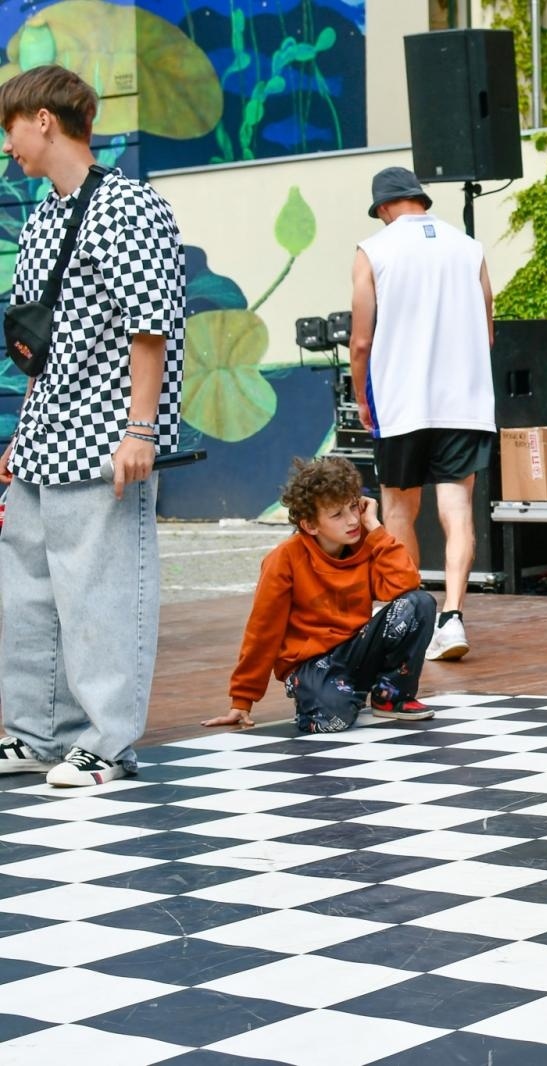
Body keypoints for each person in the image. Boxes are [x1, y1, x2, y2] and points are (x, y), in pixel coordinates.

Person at [0, 66, 184, 787]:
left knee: (103, 590)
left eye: (11, 127)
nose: (7, 144)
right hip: (47, 431)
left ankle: (106, 742)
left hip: (105, 432)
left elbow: (150, 324)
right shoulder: (44, 217)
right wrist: (23, 433)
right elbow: (38, 343)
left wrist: (140, 430)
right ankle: (38, 732)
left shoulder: (129, 206)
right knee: (29, 591)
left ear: (44, 119)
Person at [349, 166, 495, 663]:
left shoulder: (373, 250)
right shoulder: (469, 247)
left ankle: (409, 617)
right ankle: (452, 618)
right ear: (420, 200)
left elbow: (361, 341)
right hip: (465, 403)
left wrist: (363, 398)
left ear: (384, 207)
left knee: (398, 510)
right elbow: (487, 328)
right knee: (457, 510)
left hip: (401, 401)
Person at [206, 457, 437, 734]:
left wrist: (375, 528)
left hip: (355, 649)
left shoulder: (366, 542)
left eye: (354, 506)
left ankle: (390, 696)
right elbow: (262, 630)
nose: (352, 520)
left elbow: (405, 582)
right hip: (310, 663)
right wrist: (242, 699)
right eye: (337, 515)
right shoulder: (284, 559)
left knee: (419, 603)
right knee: (334, 719)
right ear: (310, 525)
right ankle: (328, 695)